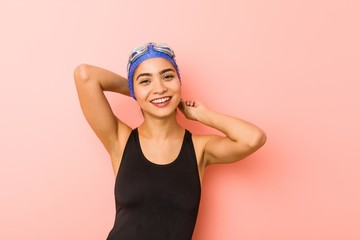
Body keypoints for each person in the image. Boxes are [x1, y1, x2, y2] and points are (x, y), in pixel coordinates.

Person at [74, 42, 266, 240]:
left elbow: (253, 138)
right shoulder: (120, 141)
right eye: (145, 81)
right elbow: (85, 75)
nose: (160, 88)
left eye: (167, 77)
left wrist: (202, 115)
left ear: (179, 83)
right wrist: (138, 92)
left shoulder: (200, 149)